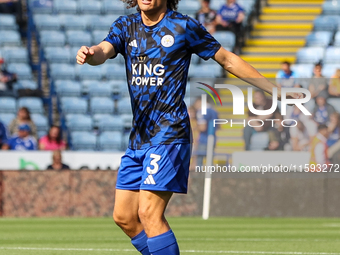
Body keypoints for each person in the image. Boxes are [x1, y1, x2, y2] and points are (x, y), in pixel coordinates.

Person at [76, 0, 301, 253]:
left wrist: (274, 91)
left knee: (149, 212)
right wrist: (90, 53)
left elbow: (226, 59)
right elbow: (103, 51)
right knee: (125, 217)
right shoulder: (125, 26)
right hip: (139, 138)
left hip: (170, 132)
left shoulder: (183, 26)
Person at [193, 97, 218, 166]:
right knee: (210, 160)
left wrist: (194, 127)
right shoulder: (214, 111)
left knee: (199, 160)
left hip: (204, 139)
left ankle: (198, 175)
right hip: (212, 137)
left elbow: (202, 127)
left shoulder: (202, 111)